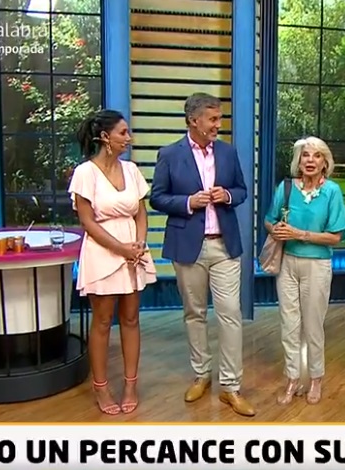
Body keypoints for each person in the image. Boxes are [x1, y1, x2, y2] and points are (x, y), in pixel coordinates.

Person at [149, 92, 255, 417]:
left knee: (230, 313)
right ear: (193, 120)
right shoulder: (169, 154)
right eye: (213, 119)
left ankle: (231, 386)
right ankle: (201, 374)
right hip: (187, 245)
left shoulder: (227, 152)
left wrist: (228, 195)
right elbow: (157, 198)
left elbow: (242, 190)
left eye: (219, 118)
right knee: (194, 313)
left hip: (224, 245)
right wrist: (187, 202)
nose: (218, 125)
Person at [68, 109, 157, 415]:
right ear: (105, 137)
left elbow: (141, 213)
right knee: (103, 321)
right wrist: (121, 249)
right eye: (123, 133)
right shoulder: (85, 173)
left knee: (131, 319)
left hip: (133, 251)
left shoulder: (131, 170)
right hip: (103, 251)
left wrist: (139, 244)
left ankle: (131, 385)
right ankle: (101, 387)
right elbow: (87, 222)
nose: (128, 138)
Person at [264, 137, 345, 405]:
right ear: (298, 161)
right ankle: (292, 378)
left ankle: (315, 379)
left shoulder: (332, 191)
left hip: (317, 266)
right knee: (289, 324)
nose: (310, 160)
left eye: (316, 156)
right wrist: (276, 230)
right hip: (287, 263)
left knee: (313, 325)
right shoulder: (286, 187)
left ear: (325, 162)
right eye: (305, 155)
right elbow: (269, 220)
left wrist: (300, 234)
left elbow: (335, 236)